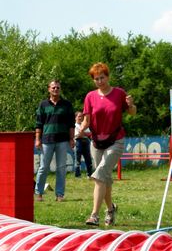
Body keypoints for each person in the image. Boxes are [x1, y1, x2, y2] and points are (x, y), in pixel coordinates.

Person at [81, 62, 136, 226]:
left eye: (102, 77)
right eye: (96, 79)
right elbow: (86, 120)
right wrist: (79, 130)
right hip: (97, 141)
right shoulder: (90, 96)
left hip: (116, 140)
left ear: (108, 76)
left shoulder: (119, 93)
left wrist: (131, 104)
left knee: (99, 175)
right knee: (104, 178)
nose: (100, 81)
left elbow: (132, 112)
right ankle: (111, 209)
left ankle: (94, 215)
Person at [35, 80, 75, 202]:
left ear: (60, 89)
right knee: (43, 168)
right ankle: (39, 193)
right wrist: (37, 139)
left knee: (61, 168)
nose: (55, 89)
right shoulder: (43, 105)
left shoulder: (67, 105)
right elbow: (38, 123)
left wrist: (71, 139)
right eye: (53, 87)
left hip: (63, 141)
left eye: (58, 87)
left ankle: (59, 195)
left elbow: (71, 124)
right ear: (49, 89)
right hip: (46, 140)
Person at [74, 111, 93, 177]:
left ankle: (89, 174)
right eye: (79, 116)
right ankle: (78, 174)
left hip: (86, 141)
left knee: (88, 158)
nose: (81, 117)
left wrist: (82, 133)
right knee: (77, 159)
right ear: (75, 118)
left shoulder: (84, 124)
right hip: (78, 142)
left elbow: (89, 134)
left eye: (82, 116)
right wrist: (84, 134)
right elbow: (78, 135)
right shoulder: (74, 125)